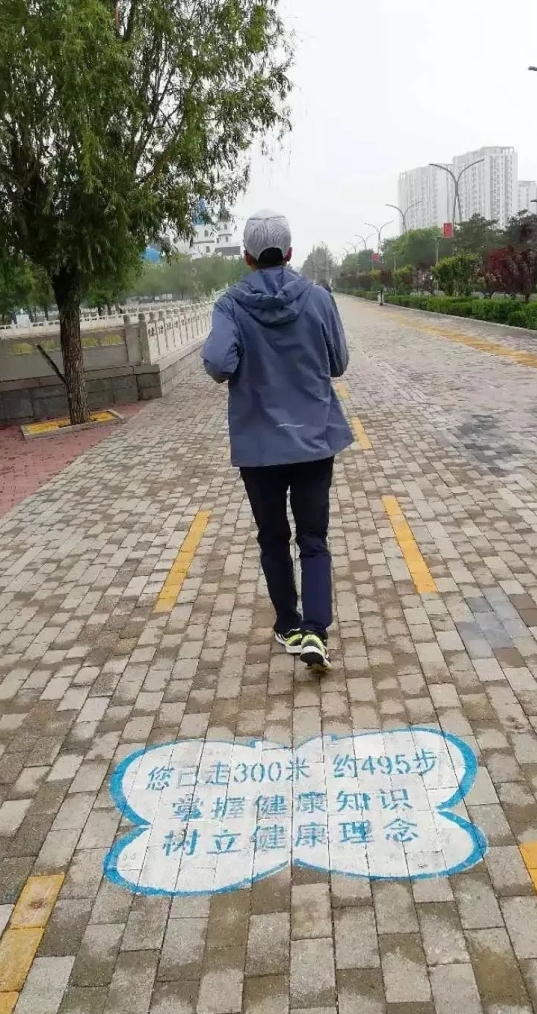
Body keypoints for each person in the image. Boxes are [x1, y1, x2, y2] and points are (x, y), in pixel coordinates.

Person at [202, 209, 352, 671]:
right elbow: (338, 363)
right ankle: (317, 631)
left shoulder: (230, 305)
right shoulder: (318, 298)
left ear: (247, 257)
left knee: (273, 537)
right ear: (289, 253)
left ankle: (289, 624)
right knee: (313, 538)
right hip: (313, 440)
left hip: (259, 444)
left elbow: (218, 364)